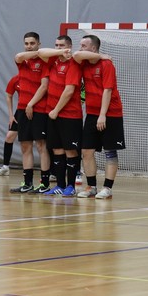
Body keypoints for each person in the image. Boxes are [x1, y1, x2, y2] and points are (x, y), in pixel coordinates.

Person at [73, 34, 126, 199]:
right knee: (86, 151)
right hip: (92, 113)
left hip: (110, 113)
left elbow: (107, 90)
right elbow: (76, 55)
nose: (80, 48)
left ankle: (107, 188)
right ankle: (91, 187)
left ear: (94, 48)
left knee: (110, 151)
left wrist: (102, 115)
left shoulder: (106, 64)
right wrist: (101, 55)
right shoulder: (84, 63)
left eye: (84, 45)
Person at [37, 35, 83, 196]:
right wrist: (59, 52)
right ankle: (60, 185)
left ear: (69, 47)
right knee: (57, 150)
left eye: (62, 45)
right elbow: (40, 52)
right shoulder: (53, 61)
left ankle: (71, 186)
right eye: (56, 45)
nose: (58, 48)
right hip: (53, 115)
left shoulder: (74, 64)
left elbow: (69, 90)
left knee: (70, 151)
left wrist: (56, 110)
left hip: (69, 115)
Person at [10, 32, 51, 193]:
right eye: (26, 43)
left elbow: (44, 86)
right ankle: (27, 183)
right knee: (25, 146)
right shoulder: (23, 61)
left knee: (41, 145)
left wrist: (31, 104)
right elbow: (18, 56)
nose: (29, 46)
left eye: (32, 43)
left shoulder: (44, 61)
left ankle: (44, 184)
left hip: (39, 109)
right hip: (22, 109)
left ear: (39, 44)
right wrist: (26, 106)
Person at [0, 74, 19, 176]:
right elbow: (8, 95)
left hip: (38, 111)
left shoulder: (37, 77)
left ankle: (52, 172)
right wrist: (11, 115)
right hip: (21, 111)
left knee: (42, 143)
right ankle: (5, 167)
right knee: (9, 136)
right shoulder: (15, 79)